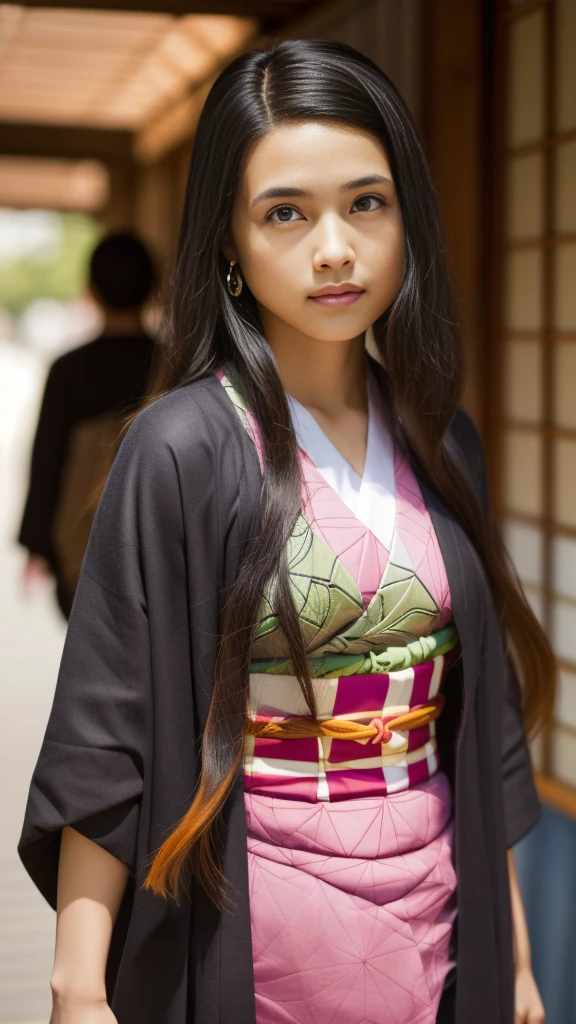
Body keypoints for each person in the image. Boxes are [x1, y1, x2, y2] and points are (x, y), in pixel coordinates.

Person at [18, 40, 553, 1024]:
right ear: (227, 239)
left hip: (438, 915)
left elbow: (479, 726)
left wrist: (515, 955)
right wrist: (76, 986)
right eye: (285, 214)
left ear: (408, 221)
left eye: (366, 202)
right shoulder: (179, 448)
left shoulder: (445, 439)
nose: (335, 247)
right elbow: (109, 733)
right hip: (258, 920)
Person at [18, 231, 157, 617]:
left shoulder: (69, 370)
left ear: (92, 292)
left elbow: (47, 460)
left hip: (82, 552)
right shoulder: (174, 365)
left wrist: (38, 545)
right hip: (157, 556)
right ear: (155, 287)